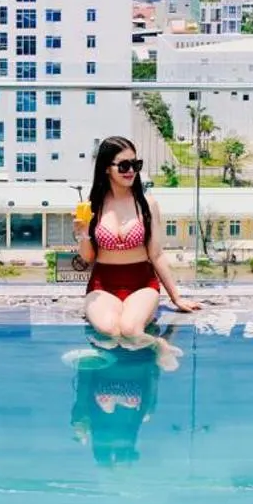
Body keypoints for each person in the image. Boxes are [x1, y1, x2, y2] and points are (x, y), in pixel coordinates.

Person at [75, 135, 197, 367]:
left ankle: (159, 344)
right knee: (111, 330)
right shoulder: (93, 205)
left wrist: (177, 298)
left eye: (135, 164)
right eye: (124, 165)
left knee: (130, 329)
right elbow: (88, 258)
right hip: (102, 284)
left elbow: (156, 254)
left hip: (142, 282)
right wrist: (82, 233)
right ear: (106, 169)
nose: (131, 170)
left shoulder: (147, 204)